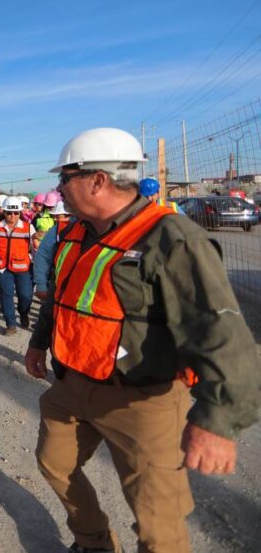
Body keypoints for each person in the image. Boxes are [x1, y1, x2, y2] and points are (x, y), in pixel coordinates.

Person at [25, 127, 261, 553]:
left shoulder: (171, 239)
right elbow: (61, 297)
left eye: (65, 178)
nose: (58, 189)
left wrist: (218, 422)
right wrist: (39, 342)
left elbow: (222, 333)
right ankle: (94, 542)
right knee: (54, 465)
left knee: (158, 521)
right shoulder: (73, 233)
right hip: (73, 386)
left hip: (143, 402)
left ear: (97, 180)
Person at [0, 196, 34, 334]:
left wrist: (38, 265)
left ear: (20, 213)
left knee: (25, 296)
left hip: (22, 268)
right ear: (3, 212)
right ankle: (10, 324)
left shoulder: (28, 228)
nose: (12, 216)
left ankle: (23, 313)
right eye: (9, 212)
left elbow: (35, 248)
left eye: (16, 213)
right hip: (2, 269)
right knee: (6, 295)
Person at [32, 200, 70, 300]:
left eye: (58, 216)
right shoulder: (55, 231)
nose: (55, 219)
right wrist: (41, 285)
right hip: (56, 280)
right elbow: (42, 257)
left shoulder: (85, 230)